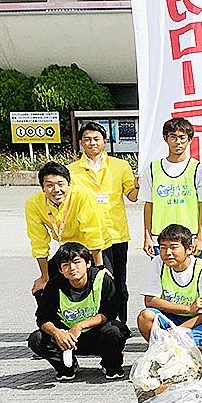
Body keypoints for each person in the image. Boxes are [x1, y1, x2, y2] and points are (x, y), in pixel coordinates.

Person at [67, 122, 138, 321]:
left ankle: (121, 322)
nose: (92, 143)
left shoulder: (120, 166)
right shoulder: (71, 171)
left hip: (116, 234)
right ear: (80, 143)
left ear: (105, 141)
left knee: (119, 281)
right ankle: (100, 321)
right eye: (87, 139)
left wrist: (138, 185)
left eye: (96, 138)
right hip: (87, 236)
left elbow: (132, 196)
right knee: (96, 280)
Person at [28, 243, 129, 381]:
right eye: (65, 265)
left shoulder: (101, 279)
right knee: (37, 339)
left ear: (88, 263)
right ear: (60, 270)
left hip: (98, 336)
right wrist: (57, 333)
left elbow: (109, 313)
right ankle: (66, 367)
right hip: (68, 340)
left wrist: (80, 326)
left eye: (76, 262)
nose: (72, 268)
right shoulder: (54, 286)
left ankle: (111, 365)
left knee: (115, 330)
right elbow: (43, 318)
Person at [138, 223, 202, 358]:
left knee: (193, 348)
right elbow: (150, 301)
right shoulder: (158, 263)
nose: (168, 253)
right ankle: (161, 351)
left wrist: (177, 332)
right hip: (176, 316)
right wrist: (188, 308)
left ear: (189, 249)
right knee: (145, 317)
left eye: (173, 247)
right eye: (163, 248)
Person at [25, 161, 105, 296]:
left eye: (60, 184)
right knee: (43, 290)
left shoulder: (82, 196)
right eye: (49, 185)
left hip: (92, 248)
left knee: (103, 285)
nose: (56, 190)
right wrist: (44, 276)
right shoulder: (33, 204)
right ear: (42, 188)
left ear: (69, 184)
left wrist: (99, 268)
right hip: (66, 248)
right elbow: (38, 242)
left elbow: (93, 233)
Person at [140, 116, 202, 261]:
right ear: (165, 138)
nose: (177, 142)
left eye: (182, 137)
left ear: (190, 140)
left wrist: (199, 238)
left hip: (190, 239)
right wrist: (147, 237)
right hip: (161, 239)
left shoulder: (199, 169)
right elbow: (149, 205)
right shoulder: (153, 169)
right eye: (173, 137)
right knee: (163, 275)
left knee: (196, 275)